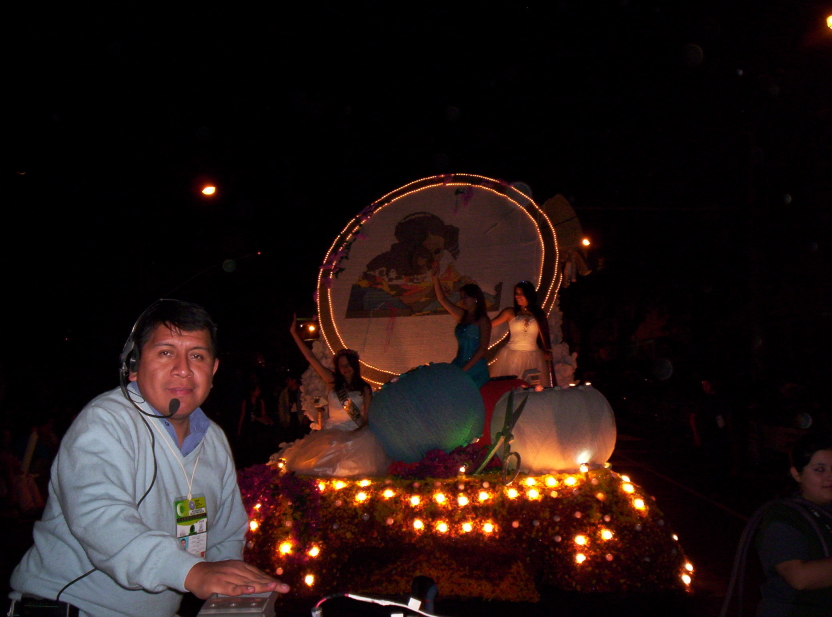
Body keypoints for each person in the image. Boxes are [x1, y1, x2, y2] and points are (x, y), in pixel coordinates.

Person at [8, 300, 288, 617]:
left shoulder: (213, 440)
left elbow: (226, 534)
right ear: (133, 366)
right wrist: (193, 572)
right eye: (166, 352)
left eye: (197, 356)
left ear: (213, 371)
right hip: (71, 608)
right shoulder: (103, 423)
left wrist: (234, 587)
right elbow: (103, 520)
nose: (183, 369)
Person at [274, 316, 390, 477]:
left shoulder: (364, 388)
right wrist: (294, 333)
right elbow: (311, 357)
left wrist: (358, 432)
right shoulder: (332, 381)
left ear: (354, 365)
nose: (345, 368)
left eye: (348, 365)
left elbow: (366, 417)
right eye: (341, 366)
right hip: (331, 432)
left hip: (355, 433)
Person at [753, 432, 832, 615]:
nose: (830, 477)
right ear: (797, 474)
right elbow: (799, 577)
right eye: (820, 470)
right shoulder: (783, 516)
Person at [430, 264, 491, 388]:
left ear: (475, 298)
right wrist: (435, 278)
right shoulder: (463, 315)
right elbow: (442, 300)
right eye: (462, 297)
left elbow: (482, 349)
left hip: (475, 367)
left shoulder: (483, 320)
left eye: (466, 297)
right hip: (459, 363)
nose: (463, 300)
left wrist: (464, 370)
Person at [489, 281, 553, 387]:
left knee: (533, 387)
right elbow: (489, 325)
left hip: (534, 357)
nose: (517, 296)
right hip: (512, 356)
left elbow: (543, 337)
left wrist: (545, 351)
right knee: (512, 387)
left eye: (521, 293)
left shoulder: (538, 314)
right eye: (516, 293)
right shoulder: (510, 312)